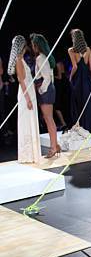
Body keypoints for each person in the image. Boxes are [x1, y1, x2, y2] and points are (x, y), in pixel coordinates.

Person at [8, 35, 41, 163]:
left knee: (30, 120)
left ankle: (32, 153)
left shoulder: (21, 59)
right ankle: (27, 154)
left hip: (29, 92)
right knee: (27, 121)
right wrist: (27, 98)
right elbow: (21, 80)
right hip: (25, 94)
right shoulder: (18, 60)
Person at [30, 33, 60, 158]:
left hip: (45, 88)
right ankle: (55, 145)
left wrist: (41, 90)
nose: (32, 47)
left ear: (36, 46)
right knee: (49, 118)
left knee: (48, 119)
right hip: (47, 88)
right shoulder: (44, 57)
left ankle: (53, 147)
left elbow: (47, 77)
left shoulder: (40, 58)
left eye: (33, 45)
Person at [68, 29, 91, 132]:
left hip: (78, 79)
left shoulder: (71, 50)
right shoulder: (88, 49)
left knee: (78, 101)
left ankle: (79, 125)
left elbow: (75, 67)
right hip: (87, 79)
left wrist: (70, 77)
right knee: (88, 101)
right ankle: (89, 126)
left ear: (74, 38)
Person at [54, 61, 71, 130]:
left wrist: (52, 76)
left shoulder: (58, 64)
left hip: (60, 85)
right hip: (65, 84)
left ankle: (63, 123)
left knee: (57, 106)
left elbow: (59, 77)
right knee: (62, 105)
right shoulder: (63, 63)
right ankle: (65, 122)